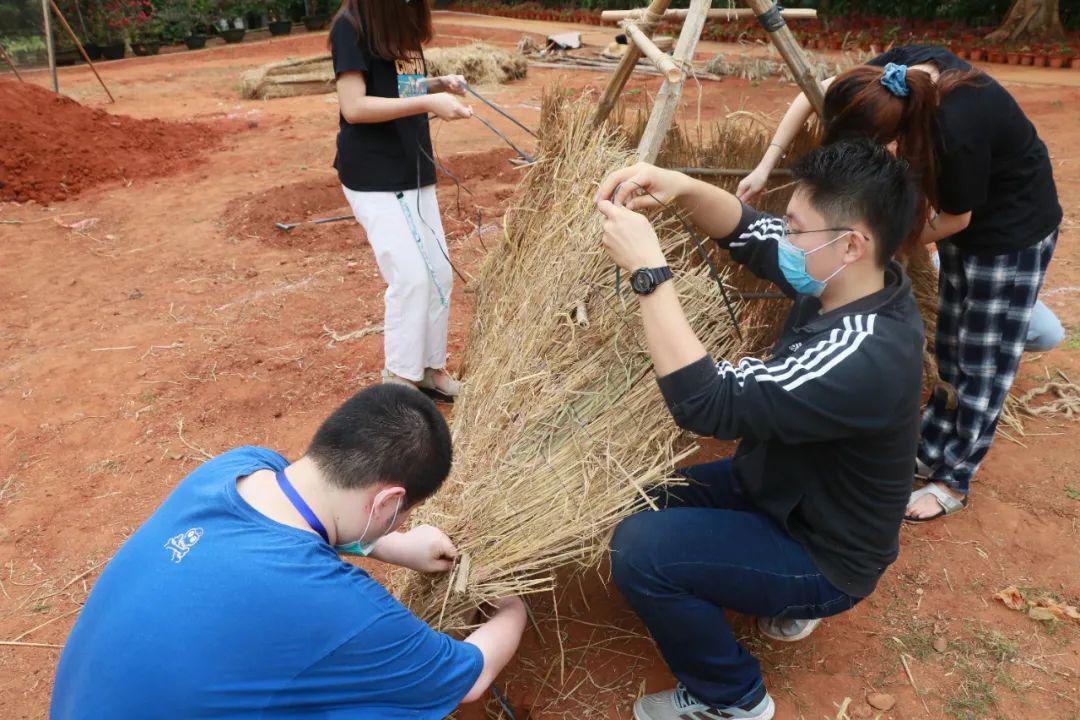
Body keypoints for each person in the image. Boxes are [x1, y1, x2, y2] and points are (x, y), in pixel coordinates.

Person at [594, 139, 924, 720]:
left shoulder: (864, 354)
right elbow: (747, 230)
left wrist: (649, 272)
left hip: (824, 553)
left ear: (852, 243)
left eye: (796, 228)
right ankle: (750, 587)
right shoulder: (842, 277)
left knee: (640, 552)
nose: (784, 237)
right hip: (779, 489)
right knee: (641, 498)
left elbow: (705, 403)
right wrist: (682, 186)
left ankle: (732, 698)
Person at [51, 385, 526, 719]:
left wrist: (397, 545)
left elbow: (308, 508)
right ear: (386, 502)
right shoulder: (343, 606)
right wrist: (513, 606)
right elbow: (468, 678)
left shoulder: (235, 468)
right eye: (403, 516)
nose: (401, 525)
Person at [739, 45, 1063, 522]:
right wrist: (766, 165)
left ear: (891, 135)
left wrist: (879, 248)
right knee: (952, 339)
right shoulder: (893, 77)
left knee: (984, 360)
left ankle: (953, 478)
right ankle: (931, 445)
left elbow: (957, 218)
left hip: (1011, 232)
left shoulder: (956, 131)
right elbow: (816, 94)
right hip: (969, 215)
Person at [331, 0, 474, 401]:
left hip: (413, 166)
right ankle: (399, 383)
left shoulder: (402, 19)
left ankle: (428, 370)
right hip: (375, 175)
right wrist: (429, 103)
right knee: (410, 278)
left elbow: (398, 87)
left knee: (438, 275)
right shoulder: (352, 25)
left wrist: (437, 85)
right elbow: (354, 106)